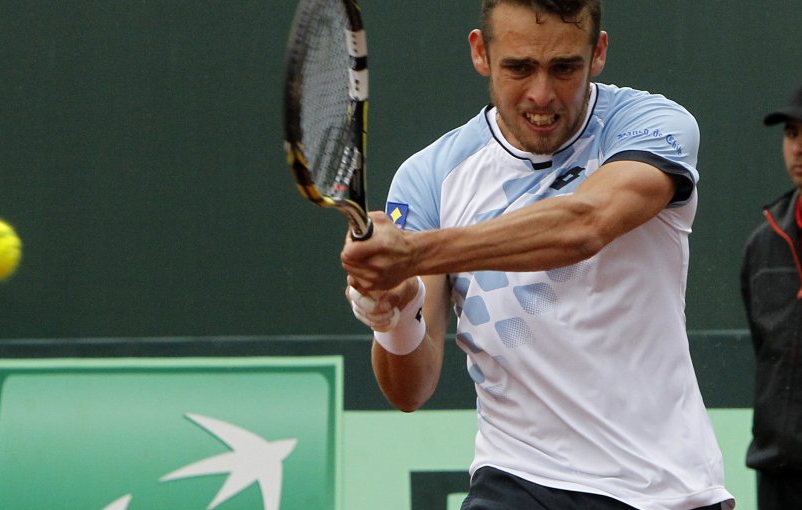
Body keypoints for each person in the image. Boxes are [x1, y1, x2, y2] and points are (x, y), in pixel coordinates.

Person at [340, 1, 735, 509]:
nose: (542, 95)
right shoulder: (430, 178)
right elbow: (409, 390)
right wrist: (391, 314)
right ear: (481, 53)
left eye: (565, 67)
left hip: (666, 489)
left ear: (599, 53)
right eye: (519, 68)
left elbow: (585, 223)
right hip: (517, 480)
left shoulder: (651, 124)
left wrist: (414, 253)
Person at [741, 81, 802, 510]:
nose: (798, 147)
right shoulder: (762, 245)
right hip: (777, 470)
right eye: (792, 133)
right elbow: (768, 350)